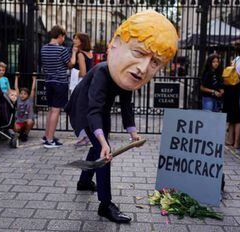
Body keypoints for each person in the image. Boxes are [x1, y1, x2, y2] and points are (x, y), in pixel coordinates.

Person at [65, 10, 178, 223]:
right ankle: (105, 205)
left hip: (100, 110)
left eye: (154, 63)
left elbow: (126, 105)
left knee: (99, 148)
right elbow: (93, 110)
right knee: (104, 153)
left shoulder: (126, 75)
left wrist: (133, 133)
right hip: (83, 109)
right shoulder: (102, 72)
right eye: (139, 53)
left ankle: (84, 181)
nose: (143, 68)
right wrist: (102, 140)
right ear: (115, 45)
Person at [41, 25, 77, 148]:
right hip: (60, 82)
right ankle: (50, 140)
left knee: (51, 109)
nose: (64, 39)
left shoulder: (43, 49)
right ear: (60, 36)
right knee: (56, 110)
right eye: (63, 37)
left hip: (48, 81)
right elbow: (71, 64)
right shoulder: (61, 50)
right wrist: (74, 53)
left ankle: (47, 135)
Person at [223, 40, 240, 149]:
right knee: (238, 119)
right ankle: (237, 142)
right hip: (239, 89)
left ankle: (229, 140)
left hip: (230, 90)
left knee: (232, 117)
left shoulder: (235, 60)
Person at [72, 32, 94, 146]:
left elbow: (83, 73)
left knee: (78, 111)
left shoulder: (80, 54)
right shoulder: (90, 53)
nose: (74, 40)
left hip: (81, 84)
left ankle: (85, 137)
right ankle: (87, 136)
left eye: (76, 38)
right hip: (89, 84)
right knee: (86, 110)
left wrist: (73, 73)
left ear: (82, 41)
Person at [14, 72, 36, 142]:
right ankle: (20, 133)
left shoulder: (30, 100)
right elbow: (16, 87)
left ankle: (25, 134)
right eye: (21, 93)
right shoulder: (18, 99)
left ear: (28, 95)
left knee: (30, 122)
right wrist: (16, 77)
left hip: (27, 121)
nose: (22, 95)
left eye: (25, 94)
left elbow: (33, 89)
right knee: (16, 128)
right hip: (19, 120)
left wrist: (34, 78)